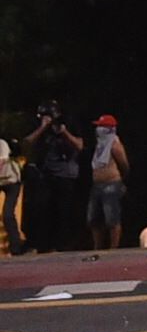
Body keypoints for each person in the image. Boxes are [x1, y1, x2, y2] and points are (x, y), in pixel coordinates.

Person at [24, 104, 84, 253]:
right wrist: (42, 127)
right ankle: (44, 244)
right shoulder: (42, 129)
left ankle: (63, 244)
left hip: (66, 175)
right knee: (43, 209)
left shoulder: (68, 125)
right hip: (46, 174)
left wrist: (64, 132)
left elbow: (80, 146)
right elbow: (26, 143)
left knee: (63, 211)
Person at [86, 115, 130, 250]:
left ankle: (113, 247)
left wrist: (120, 179)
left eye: (101, 126)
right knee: (93, 218)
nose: (98, 129)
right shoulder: (100, 145)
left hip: (111, 184)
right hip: (97, 185)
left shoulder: (115, 143)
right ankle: (97, 246)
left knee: (112, 217)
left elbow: (124, 164)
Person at [0, 134, 21, 255]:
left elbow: (1, 163)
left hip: (11, 181)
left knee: (8, 214)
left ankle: (16, 247)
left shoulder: (1, 143)